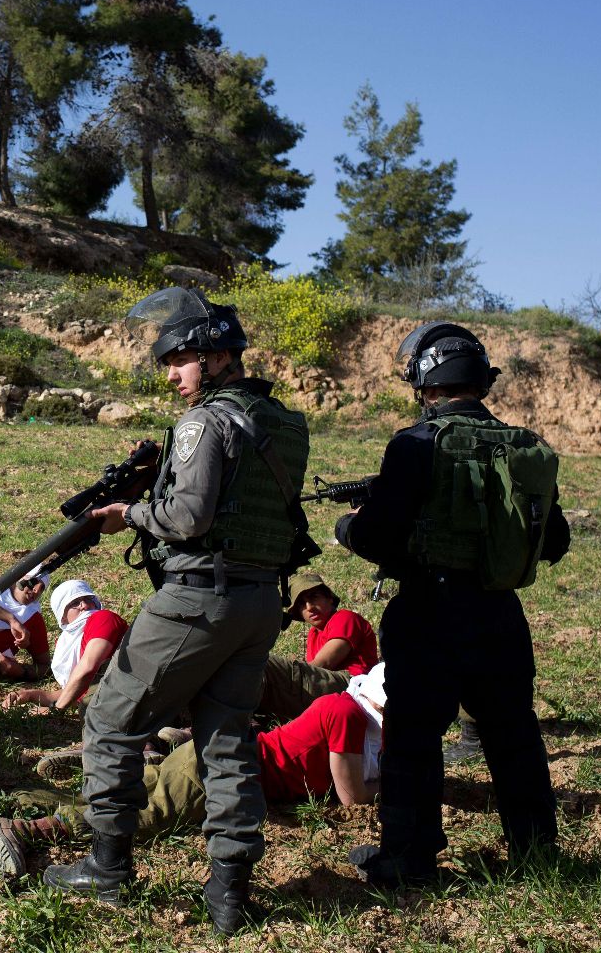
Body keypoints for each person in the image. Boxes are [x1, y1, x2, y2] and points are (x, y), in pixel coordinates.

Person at [45, 287, 311, 934]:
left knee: (110, 717)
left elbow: (188, 518)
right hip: (257, 603)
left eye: (181, 359)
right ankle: (228, 894)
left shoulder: (203, 423)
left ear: (218, 355)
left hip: (198, 598)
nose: (171, 374)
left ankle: (107, 869)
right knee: (227, 741)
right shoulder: (284, 422)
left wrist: (127, 514)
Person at [335, 321, 570, 888]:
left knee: (413, 737)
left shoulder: (413, 444)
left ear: (425, 379)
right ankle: (535, 853)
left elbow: (376, 539)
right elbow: (555, 542)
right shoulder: (527, 447)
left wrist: (349, 525)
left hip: (428, 612)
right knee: (514, 735)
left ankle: (408, 859)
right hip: (500, 613)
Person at [0, 664, 388, 886]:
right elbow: (352, 797)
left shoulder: (357, 716)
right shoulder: (347, 714)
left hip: (222, 764)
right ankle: (23, 828)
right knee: (140, 814)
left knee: (122, 796)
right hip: (227, 772)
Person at [256, 572, 378, 723]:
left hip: (352, 688)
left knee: (262, 663)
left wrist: (285, 676)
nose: (309, 607)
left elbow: (324, 664)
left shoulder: (345, 617)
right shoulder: (314, 633)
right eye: (301, 604)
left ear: (329, 598)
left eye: (314, 597)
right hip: (329, 691)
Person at [1, 579, 128, 714]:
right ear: (62, 616)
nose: (84, 605)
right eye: (75, 603)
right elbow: (76, 693)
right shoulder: (67, 643)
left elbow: (88, 667)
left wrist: (55, 710)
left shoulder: (103, 618)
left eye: (88, 599)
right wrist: (30, 695)